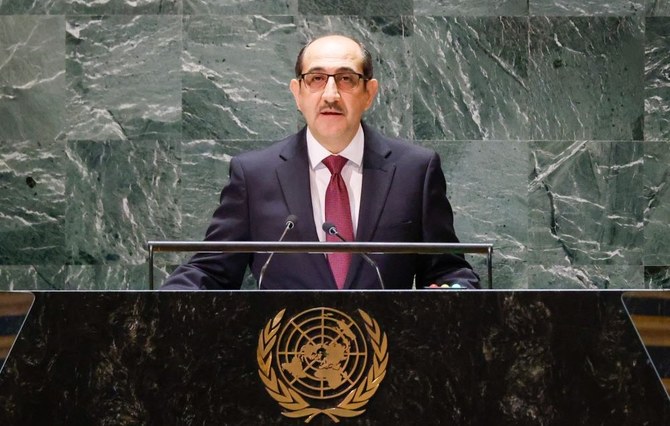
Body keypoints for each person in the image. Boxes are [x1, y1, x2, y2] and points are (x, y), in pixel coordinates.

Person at [162, 34, 479, 290]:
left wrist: (455, 292)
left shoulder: (415, 171)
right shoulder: (255, 175)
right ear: (297, 93)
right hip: (284, 360)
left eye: (345, 79)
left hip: (387, 360)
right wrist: (155, 306)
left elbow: (450, 270)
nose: (330, 94)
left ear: (369, 93)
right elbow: (210, 271)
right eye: (316, 79)